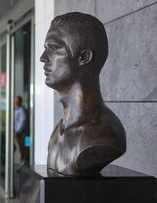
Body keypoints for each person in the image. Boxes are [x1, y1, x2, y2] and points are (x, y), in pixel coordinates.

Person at [41, 12, 126, 176]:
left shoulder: (105, 136)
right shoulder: (57, 134)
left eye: (53, 49)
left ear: (84, 57)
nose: (43, 58)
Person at [14, 96, 27, 164]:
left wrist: (17, 131)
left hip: (21, 132)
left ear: (20, 102)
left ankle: (23, 162)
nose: (15, 102)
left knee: (22, 148)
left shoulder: (22, 110)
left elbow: (22, 121)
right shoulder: (14, 109)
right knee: (18, 148)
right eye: (14, 101)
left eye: (17, 101)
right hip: (15, 132)